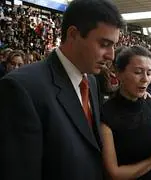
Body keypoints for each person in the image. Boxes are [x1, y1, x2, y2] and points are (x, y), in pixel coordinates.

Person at [0, 0, 124, 180]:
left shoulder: (91, 81)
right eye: (104, 44)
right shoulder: (21, 88)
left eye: (113, 45)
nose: (111, 55)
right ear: (73, 34)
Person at [101, 46, 151, 180]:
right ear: (118, 73)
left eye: (148, 73)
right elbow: (115, 174)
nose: (145, 79)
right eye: (138, 72)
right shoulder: (106, 114)